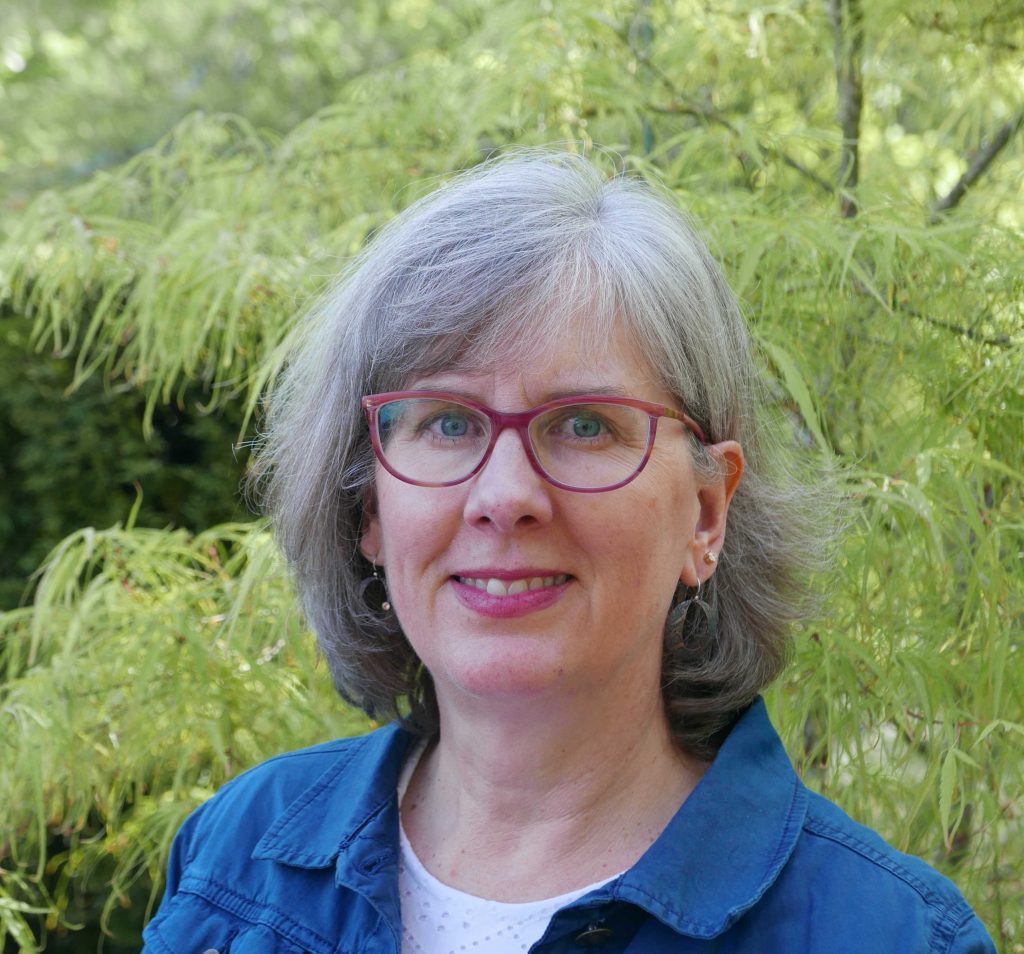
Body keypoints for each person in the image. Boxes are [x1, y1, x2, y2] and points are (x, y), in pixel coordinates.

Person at [142, 150, 994, 953]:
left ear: (705, 513)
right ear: (370, 506)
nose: (505, 496)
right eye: (447, 422)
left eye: (584, 425)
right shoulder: (235, 860)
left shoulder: (889, 935)